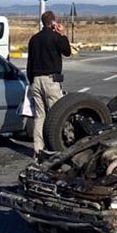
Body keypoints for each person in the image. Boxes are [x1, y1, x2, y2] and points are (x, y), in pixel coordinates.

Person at [27, 10, 72, 159]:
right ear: (53, 22)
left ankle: (38, 150)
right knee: (56, 116)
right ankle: (56, 149)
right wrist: (62, 34)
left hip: (35, 80)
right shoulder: (55, 37)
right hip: (50, 81)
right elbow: (67, 51)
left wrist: (31, 81)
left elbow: (29, 63)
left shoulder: (34, 39)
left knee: (39, 117)